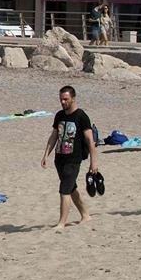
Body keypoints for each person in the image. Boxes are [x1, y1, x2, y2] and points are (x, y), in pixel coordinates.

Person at [41, 85, 98, 230]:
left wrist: (93, 162)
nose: (63, 102)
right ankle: (85, 215)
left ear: (73, 98)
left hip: (74, 160)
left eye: (65, 99)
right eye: (61, 99)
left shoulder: (81, 116)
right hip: (59, 159)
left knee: (64, 190)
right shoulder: (59, 115)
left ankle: (61, 223)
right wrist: (46, 155)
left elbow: (90, 141)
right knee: (71, 188)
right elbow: (54, 136)